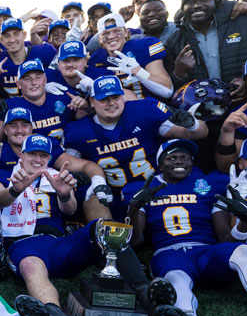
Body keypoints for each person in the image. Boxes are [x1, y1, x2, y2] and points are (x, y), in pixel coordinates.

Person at [0, 135, 179, 316]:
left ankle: (147, 294)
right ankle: (53, 312)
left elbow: (70, 210)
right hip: (22, 244)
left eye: (43, 155)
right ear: (22, 155)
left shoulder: (56, 176)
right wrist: (15, 189)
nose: (38, 160)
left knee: (104, 228)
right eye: (33, 154)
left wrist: (63, 194)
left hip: (56, 243)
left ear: (49, 158)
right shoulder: (4, 174)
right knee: (31, 265)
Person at [127, 139, 247, 316]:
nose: (179, 161)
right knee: (176, 279)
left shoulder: (208, 185)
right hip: (170, 253)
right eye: (171, 158)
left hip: (208, 253)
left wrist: (244, 220)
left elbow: (226, 239)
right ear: (160, 163)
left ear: (192, 162)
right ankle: (186, 315)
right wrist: (134, 207)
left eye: (185, 157)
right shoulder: (145, 189)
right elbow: (135, 241)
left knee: (244, 250)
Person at [64, 75, 208, 220]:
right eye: (103, 99)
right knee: (91, 196)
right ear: (92, 102)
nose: (111, 103)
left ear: (122, 97)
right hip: (113, 196)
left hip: (157, 190)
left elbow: (197, 134)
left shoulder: (143, 111)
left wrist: (192, 124)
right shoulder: (78, 131)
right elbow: (66, 165)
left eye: (115, 97)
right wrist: (76, 175)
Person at [164, 0, 247, 89]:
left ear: (216, 3)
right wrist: (178, 74)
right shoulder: (173, 42)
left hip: (244, 103)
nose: (196, 5)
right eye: (190, 2)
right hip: (199, 105)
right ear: (182, 8)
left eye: (204, 0)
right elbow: (167, 88)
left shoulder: (246, 25)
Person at [87, 12, 173, 100]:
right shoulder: (96, 59)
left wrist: (138, 71)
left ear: (126, 33)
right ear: (100, 39)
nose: (111, 36)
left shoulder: (143, 46)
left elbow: (167, 91)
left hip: (152, 107)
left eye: (117, 31)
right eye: (106, 33)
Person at [3, 60, 86, 143]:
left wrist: (86, 106)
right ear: (19, 84)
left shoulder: (64, 98)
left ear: (45, 80)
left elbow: (89, 122)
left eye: (38, 77)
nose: (34, 82)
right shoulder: (9, 106)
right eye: (27, 79)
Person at [0, 18, 56, 98]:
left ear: (24, 35)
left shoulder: (44, 51)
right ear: (1, 40)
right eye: (7, 36)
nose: (12, 40)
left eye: (16, 34)